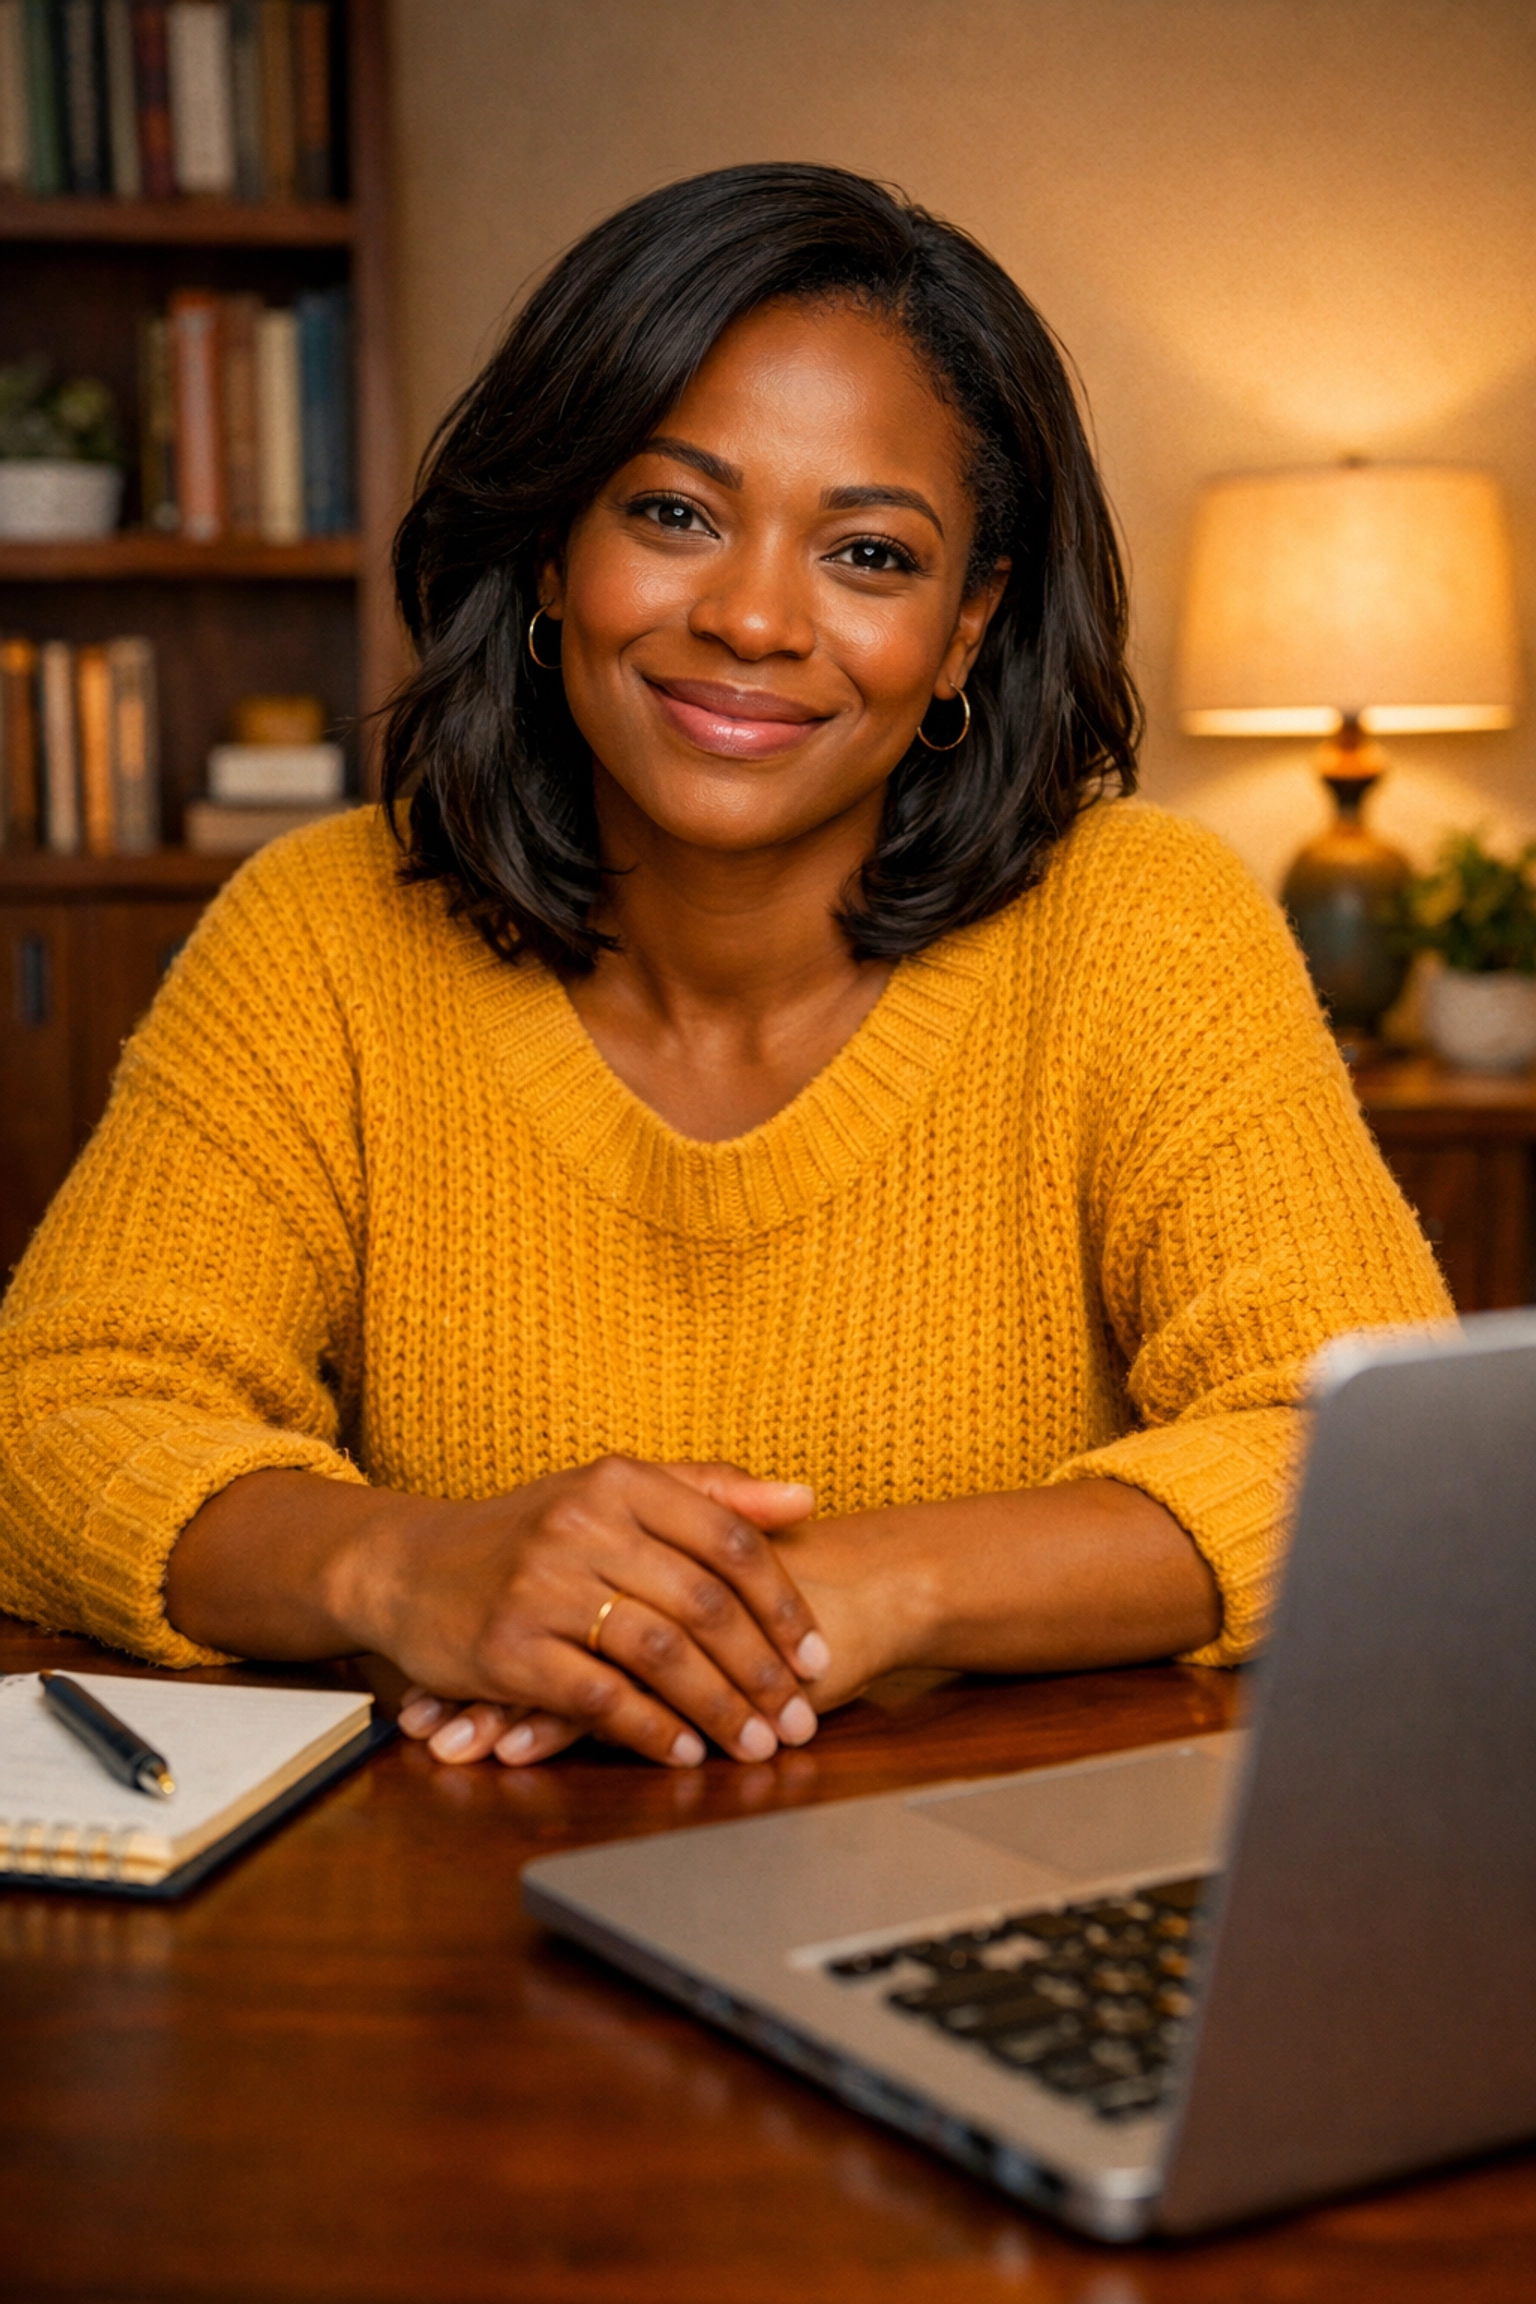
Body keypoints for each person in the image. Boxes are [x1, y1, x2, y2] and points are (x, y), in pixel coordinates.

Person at [0, 164, 1447, 1773]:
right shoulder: (322, 933)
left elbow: (1364, 1463)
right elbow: (57, 1423)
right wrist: (411, 1568)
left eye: (873, 556)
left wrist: (855, 1593)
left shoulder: (1145, 925)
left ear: (972, 624)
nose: (755, 618)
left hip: (993, 1899)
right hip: (457, 1930)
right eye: (676, 513)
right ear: (552, 549)